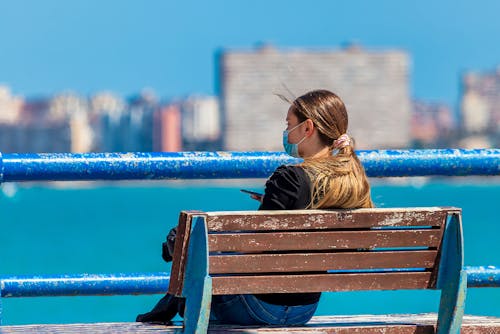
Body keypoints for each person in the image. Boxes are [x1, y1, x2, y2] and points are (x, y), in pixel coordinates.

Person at [136, 89, 374, 326]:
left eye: (289, 124)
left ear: (307, 128)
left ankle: (173, 300)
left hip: (259, 308)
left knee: (191, 244)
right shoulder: (352, 184)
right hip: (304, 310)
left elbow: (252, 246)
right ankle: (172, 299)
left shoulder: (289, 179)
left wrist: (185, 245)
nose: (286, 133)